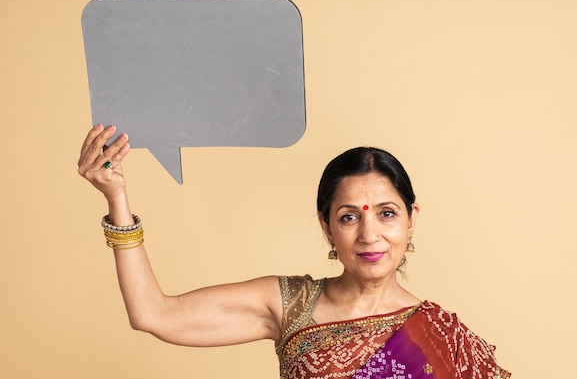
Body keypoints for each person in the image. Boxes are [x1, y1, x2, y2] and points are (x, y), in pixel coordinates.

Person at [78, 124, 511, 379]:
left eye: (386, 213)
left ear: (411, 219)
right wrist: (116, 199)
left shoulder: (445, 338)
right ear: (326, 227)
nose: (369, 234)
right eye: (348, 217)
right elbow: (154, 314)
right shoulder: (290, 304)